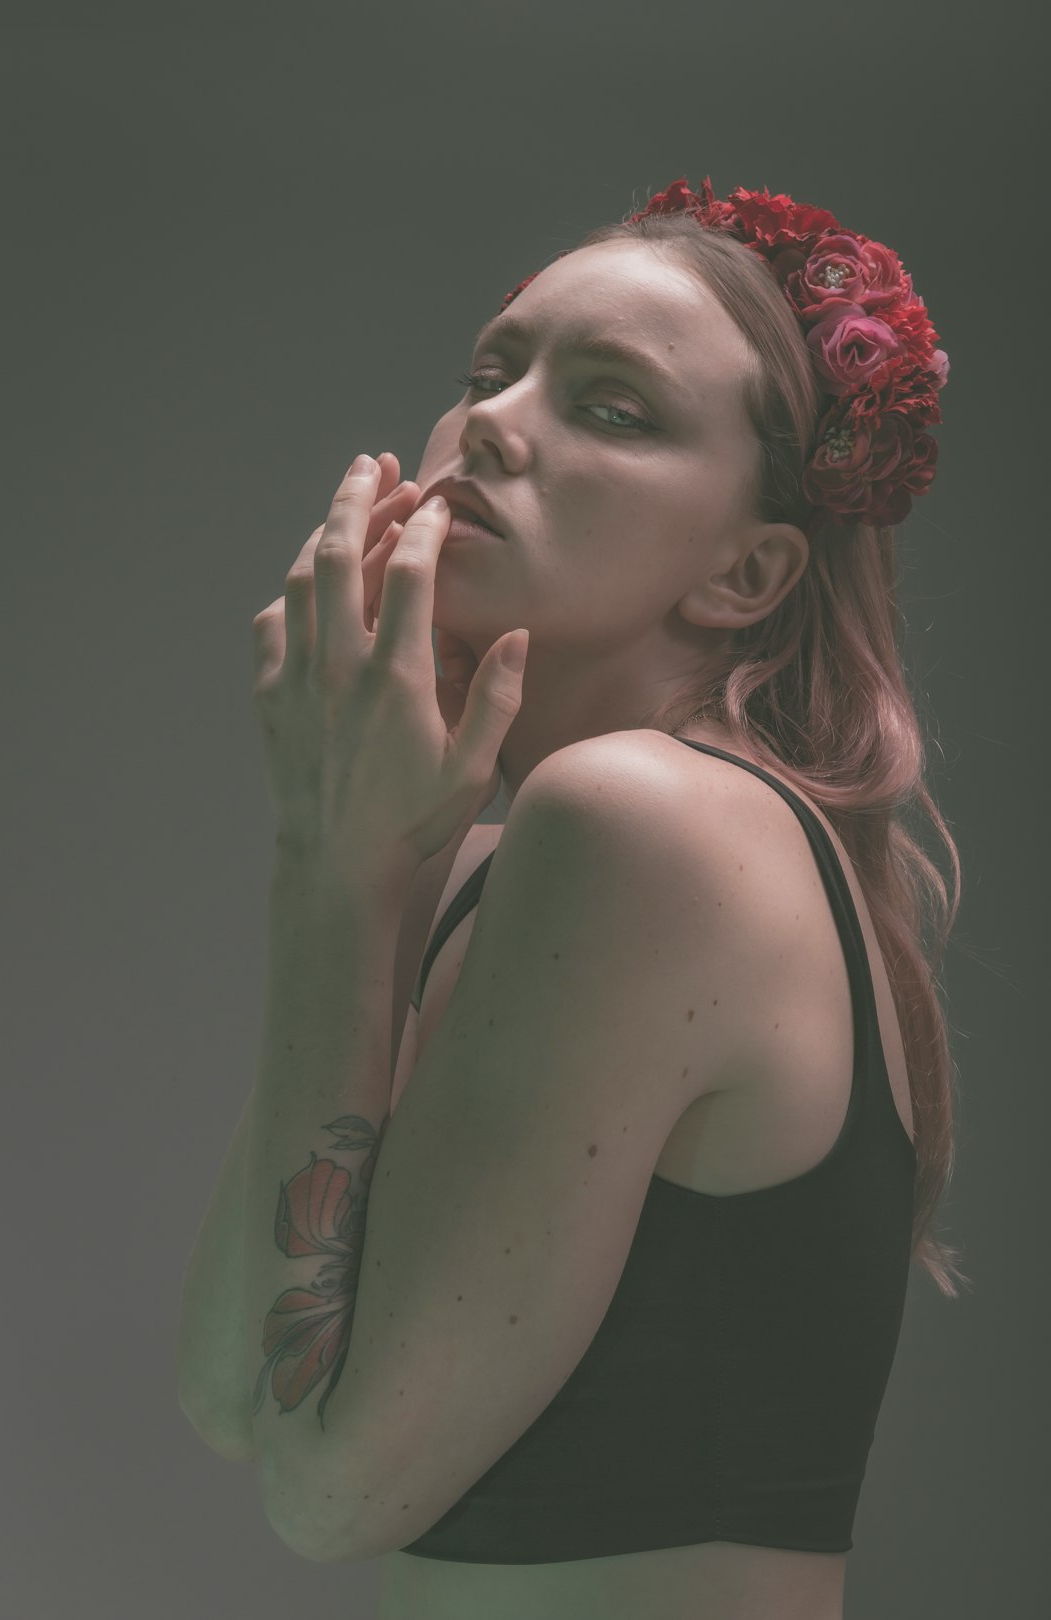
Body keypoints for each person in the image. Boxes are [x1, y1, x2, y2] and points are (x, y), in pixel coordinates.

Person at [362, 179, 968, 1620]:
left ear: (749, 572)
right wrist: (344, 865)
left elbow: (330, 1488)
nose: (493, 425)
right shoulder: (501, 860)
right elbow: (237, 1385)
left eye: (613, 407)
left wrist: (326, 877)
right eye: (489, 372)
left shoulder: (644, 820)